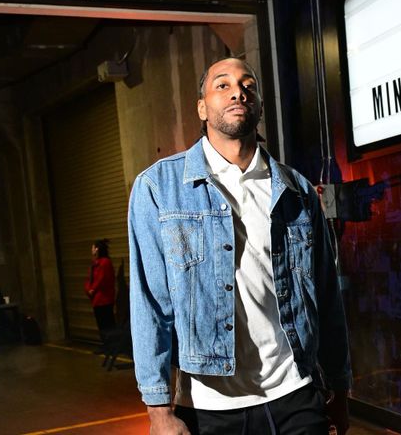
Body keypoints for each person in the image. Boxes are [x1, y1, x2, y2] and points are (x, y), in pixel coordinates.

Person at [128, 57, 351, 434]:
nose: (238, 91)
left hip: (295, 393)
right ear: (202, 107)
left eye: (248, 85)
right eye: (222, 84)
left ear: (260, 104)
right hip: (210, 406)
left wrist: (340, 389)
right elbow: (150, 306)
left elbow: (327, 299)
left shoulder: (295, 189)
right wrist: (159, 410)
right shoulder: (158, 188)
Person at [85, 238, 116, 342]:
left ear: (97, 249)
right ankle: (106, 344)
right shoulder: (95, 263)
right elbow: (89, 278)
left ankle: (111, 345)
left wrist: (92, 289)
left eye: (93, 247)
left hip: (104, 299)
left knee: (107, 324)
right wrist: (88, 289)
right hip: (97, 300)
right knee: (101, 324)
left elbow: (102, 279)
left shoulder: (105, 263)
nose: (92, 250)